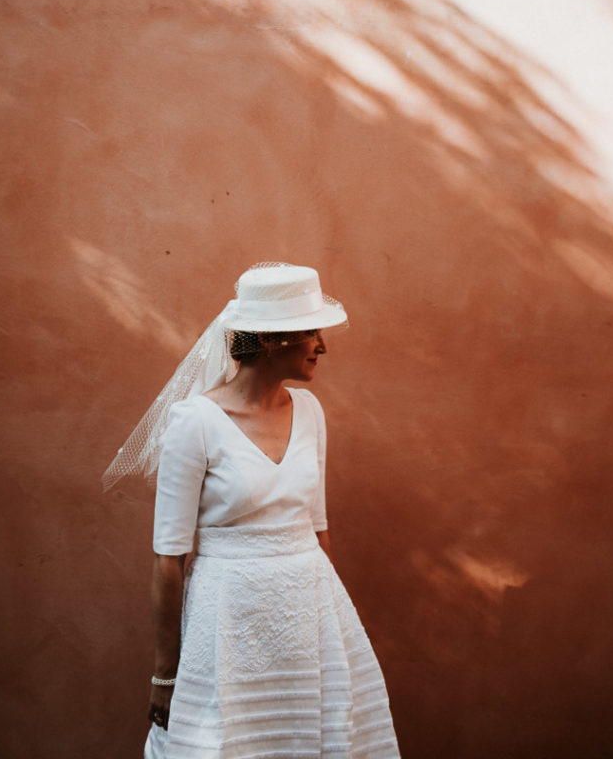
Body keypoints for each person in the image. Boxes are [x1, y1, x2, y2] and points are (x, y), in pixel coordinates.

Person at [104, 262, 401, 758]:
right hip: (229, 624)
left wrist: (333, 634)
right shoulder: (194, 422)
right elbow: (169, 558)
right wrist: (164, 672)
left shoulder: (311, 412)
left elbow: (318, 529)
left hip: (311, 618)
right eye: (311, 333)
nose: (323, 347)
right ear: (270, 339)